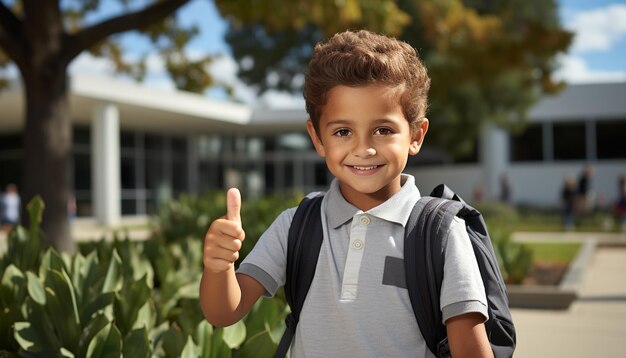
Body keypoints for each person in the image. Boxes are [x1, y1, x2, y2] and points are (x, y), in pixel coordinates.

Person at [200, 30, 492, 357]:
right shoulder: (295, 226)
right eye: (343, 131)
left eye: (383, 130)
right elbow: (224, 312)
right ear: (318, 137)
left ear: (416, 134)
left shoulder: (440, 234)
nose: (363, 149)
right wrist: (218, 267)